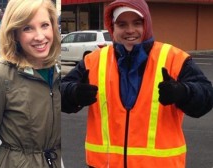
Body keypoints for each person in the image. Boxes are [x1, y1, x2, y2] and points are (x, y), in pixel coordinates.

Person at [61, 0, 213, 167]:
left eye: (137, 23)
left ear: (146, 24)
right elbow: (60, 92)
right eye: (122, 24)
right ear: (113, 27)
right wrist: (74, 93)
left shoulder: (173, 58)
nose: (130, 30)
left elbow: (206, 95)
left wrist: (183, 92)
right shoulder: (94, 61)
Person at [0, 0, 61, 167]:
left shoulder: (60, 73)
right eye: (27, 28)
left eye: (45, 25)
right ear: (14, 33)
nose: (40, 36)